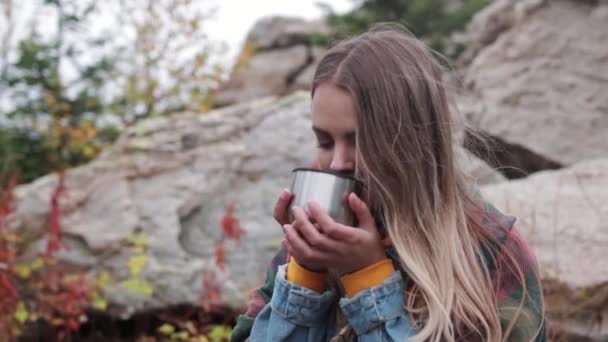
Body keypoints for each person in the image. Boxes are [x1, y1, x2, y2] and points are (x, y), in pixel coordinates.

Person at [230, 25, 546, 342]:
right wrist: (305, 276)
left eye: (361, 141)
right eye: (325, 142)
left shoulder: (491, 252)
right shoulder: (308, 247)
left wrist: (368, 281)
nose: (339, 163)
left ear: (414, 140)